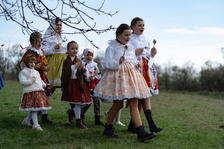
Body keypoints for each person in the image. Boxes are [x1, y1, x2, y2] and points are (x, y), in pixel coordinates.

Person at [93, 23, 156, 142]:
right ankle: (108, 128)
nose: (128, 37)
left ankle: (140, 132)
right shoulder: (112, 47)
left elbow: (132, 60)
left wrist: (136, 65)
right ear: (119, 35)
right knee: (118, 104)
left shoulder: (130, 47)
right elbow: (106, 63)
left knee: (134, 102)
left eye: (129, 35)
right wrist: (118, 61)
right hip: (118, 78)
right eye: (126, 35)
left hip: (131, 76)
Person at [128, 17, 162, 133]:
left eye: (143, 25)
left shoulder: (146, 39)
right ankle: (149, 124)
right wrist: (134, 52)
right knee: (139, 96)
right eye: (139, 25)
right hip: (136, 67)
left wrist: (152, 54)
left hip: (147, 67)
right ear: (133, 26)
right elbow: (126, 52)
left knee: (144, 94)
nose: (142, 27)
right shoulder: (129, 37)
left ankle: (135, 125)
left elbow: (148, 55)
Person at [18, 32, 53, 124]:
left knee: (43, 96)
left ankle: (44, 117)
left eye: (40, 41)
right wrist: (33, 67)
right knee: (35, 98)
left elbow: (45, 62)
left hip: (42, 76)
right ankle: (30, 119)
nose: (39, 44)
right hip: (33, 77)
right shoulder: (29, 52)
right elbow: (21, 65)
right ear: (32, 42)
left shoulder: (42, 51)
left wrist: (45, 67)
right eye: (37, 42)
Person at [61, 41, 91, 130]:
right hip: (72, 84)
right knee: (77, 103)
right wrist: (74, 67)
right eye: (72, 48)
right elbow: (67, 74)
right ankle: (79, 121)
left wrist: (85, 71)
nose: (74, 50)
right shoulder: (67, 61)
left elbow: (83, 75)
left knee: (85, 102)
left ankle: (71, 112)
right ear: (68, 50)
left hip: (80, 84)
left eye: (76, 48)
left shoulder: (79, 61)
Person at [19, 54, 52, 131]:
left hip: (38, 91)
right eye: (30, 62)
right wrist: (31, 81)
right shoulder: (23, 72)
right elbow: (22, 82)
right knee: (34, 108)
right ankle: (36, 125)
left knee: (35, 108)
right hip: (30, 92)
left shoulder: (36, 72)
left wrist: (43, 84)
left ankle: (27, 121)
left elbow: (39, 80)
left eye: (34, 62)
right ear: (26, 62)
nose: (32, 64)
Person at [42, 17, 68, 94]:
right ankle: (43, 102)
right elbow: (43, 52)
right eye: (57, 24)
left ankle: (74, 104)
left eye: (60, 25)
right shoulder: (47, 37)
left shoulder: (64, 37)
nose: (59, 26)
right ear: (53, 25)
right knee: (50, 88)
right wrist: (53, 48)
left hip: (64, 63)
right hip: (53, 64)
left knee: (68, 85)